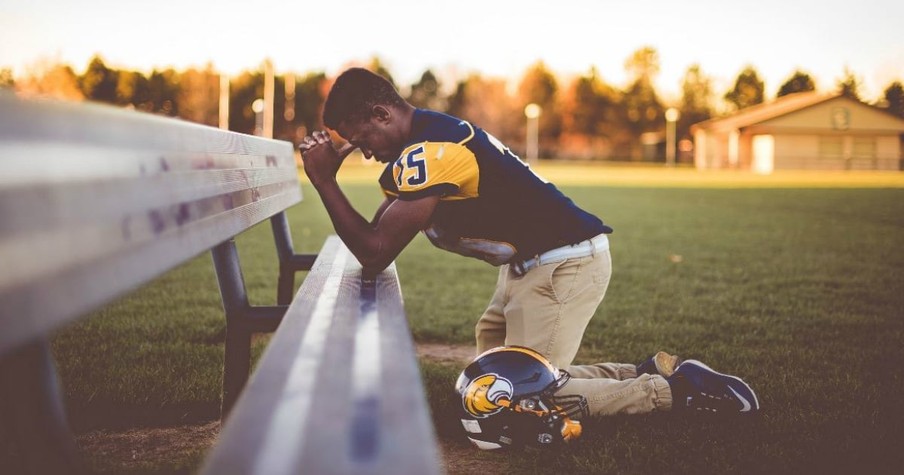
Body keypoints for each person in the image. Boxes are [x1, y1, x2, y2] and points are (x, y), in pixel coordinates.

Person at [299, 67, 759, 423]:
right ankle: (647, 371)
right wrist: (329, 181)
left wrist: (323, 182)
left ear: (382, 114)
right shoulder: (423, 141)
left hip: (562, 265)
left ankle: (677, 393)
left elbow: (376, 251)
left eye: (362, 139)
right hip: (531, 266)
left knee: (520, 397)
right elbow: (377, 236)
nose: (364, 151)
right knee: (491, 383)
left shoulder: (431, 150)